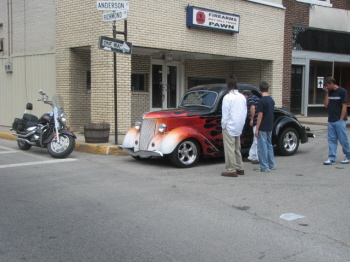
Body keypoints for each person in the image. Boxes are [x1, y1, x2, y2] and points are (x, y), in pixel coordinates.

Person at [221, 76, 247, 177]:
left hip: (229, 125)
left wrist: (223, 125)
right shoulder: (241, 96)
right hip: (239, 124)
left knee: (229, 148)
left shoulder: (227, 97)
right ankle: (240, 167)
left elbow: (225, 115)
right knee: (237, 148)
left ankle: (231, 169)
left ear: (227, 85)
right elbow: (244, 112)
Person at [323, 76, 350, 165]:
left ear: (332, 83)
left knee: (343, 139)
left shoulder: (342, 91)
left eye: (327, 85)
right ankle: (331, 157)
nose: (326, 87)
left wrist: (341, 119)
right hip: (331, 119)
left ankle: (348, 155)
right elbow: (326, 105)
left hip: (339, 120)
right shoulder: (329, 92)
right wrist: (327, 93)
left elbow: (344, 106)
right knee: (331, 139)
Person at [254, 81, 276, 172]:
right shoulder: (271, 100)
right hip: (270, 125)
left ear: (260, 89)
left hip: (262, 126)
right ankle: (272, 164)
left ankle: (264, 166)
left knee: (262, 147)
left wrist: (257, 128)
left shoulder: (261, 101)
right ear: (268, 89)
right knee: (269, 145)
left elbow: (260, 115)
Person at [242, 90, 260, 164]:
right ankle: (251, 156)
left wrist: (251, 119)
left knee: (256, 140)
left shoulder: (250, 98)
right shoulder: (256, 98)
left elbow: (252, 107)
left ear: (246, 95)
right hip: (259, 120)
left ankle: (257, 158)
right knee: (255, 140)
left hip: (256, 121)